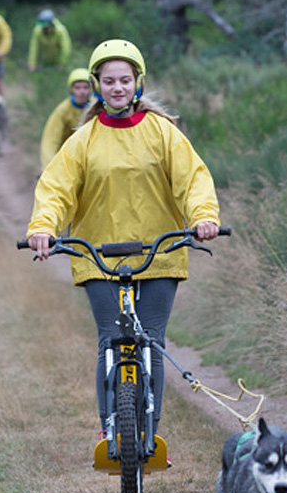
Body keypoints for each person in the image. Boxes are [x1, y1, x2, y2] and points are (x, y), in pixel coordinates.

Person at [26, 39, 221, 444]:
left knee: (151, 340)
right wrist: (43, 227)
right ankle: (110, 429)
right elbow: (56, 188)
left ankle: (149, 433)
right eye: (109, 80)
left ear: (139, 83)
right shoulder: (83, 140)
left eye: (125, 80)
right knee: (111, 340)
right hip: (97, 255)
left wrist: (203, 217)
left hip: (160, 254)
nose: (118, 87)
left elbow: (193, 180)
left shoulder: (163, 133)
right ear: (97, 85)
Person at [39, 68, 91, 169]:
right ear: (71, 90)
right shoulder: (63, 110)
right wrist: (47, 166)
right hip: (64, 157)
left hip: (86, 157)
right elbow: (51, 139)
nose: (82, 91)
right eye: (77, 88)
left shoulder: (96, 107)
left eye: (86, 87)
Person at [28, 8, 72, 73]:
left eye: (46, 27)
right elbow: (34, 48)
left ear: (51, 23)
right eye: (42, 27)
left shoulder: (60, 31)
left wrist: (63, 63)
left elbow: (66, 49)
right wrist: (32, 64)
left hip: (58, 63)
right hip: (44, 62)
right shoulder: (37, 30)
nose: (44, 29)